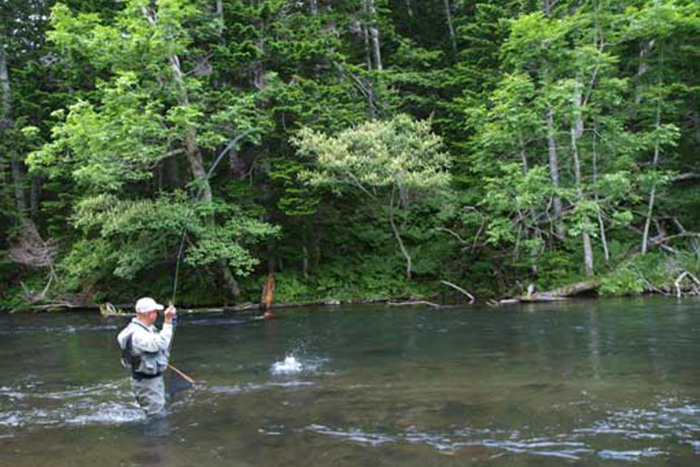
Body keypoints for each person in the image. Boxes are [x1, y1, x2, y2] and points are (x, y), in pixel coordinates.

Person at [117, 297, 176, 417]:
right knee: (156, 418)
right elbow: (160, 343)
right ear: (149, 314)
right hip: (147, 383)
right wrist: (168, 321)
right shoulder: (138, 334)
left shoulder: (142, 328)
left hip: (149, 380)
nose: (157, 314)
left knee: (155, 412)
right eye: (155, 312)